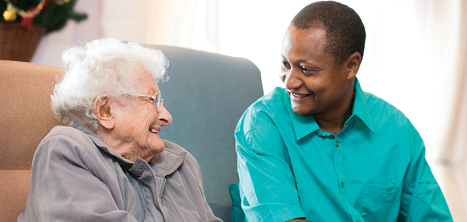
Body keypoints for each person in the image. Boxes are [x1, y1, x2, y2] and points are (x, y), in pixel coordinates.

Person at [234, 1, 452, 222]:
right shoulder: (262, 123)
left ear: (351, 66)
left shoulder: (397, 130)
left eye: (306, 69)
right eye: (285, 64)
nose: (289, 82)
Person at [18, 38, 221, 222]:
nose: (167, 116)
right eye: (153, 100)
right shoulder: (66, 150)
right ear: (106, 110)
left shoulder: (182, 164)